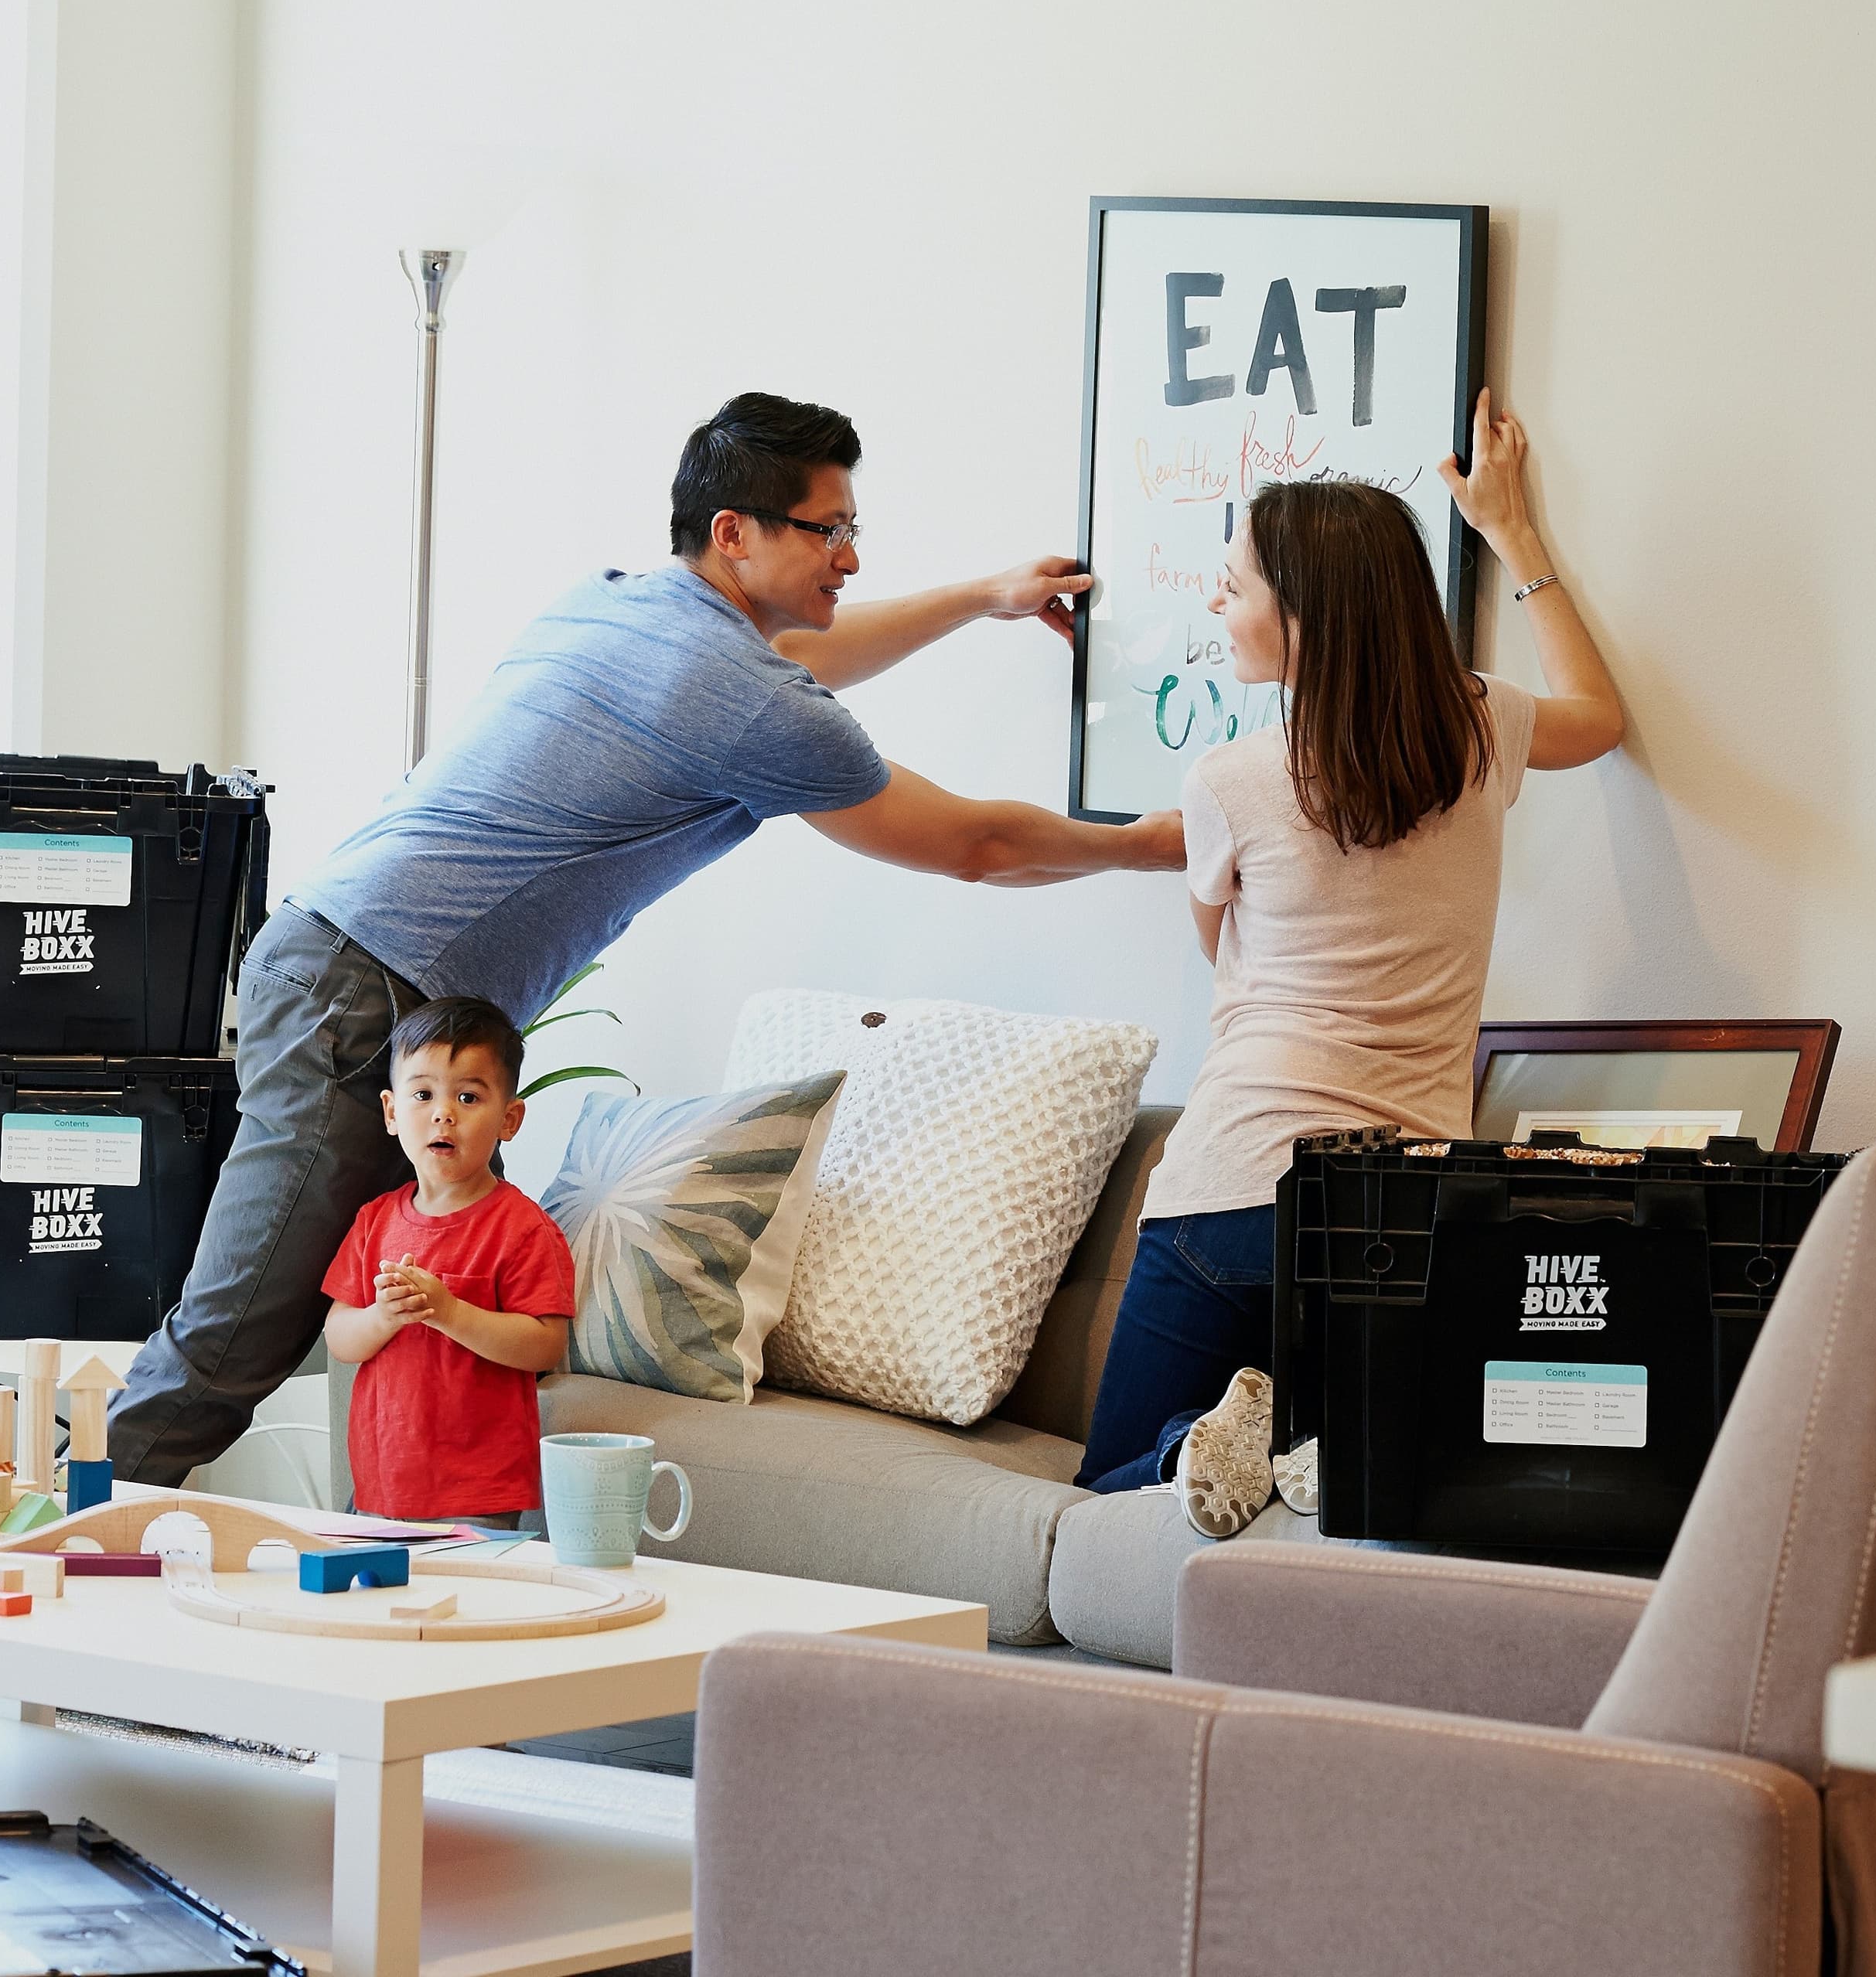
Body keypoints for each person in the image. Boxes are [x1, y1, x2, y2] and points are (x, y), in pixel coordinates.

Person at [107, 391, 1185, 1483]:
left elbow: (805, 654)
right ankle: (51, 1557)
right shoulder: (748, 701)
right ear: (735, 534)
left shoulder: (619, 602)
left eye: (854, 531)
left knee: (337, 1316)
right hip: (367, 992)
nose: (849, 559)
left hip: (341, 961)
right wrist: (1154, 843)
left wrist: (977, 598)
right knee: (242, 1328)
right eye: (828, 531)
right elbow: (976, 845)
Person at [1073, 391, 1629, 1537]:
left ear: (1306, 614)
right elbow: (1601, 716)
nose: (1216, 600)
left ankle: (1222, 1448)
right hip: (1406, 1204)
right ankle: (1305, 1450)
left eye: (1236, 584)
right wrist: (1513, 534)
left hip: (1232, 1188)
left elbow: (1218, 947)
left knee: (1109, 1482)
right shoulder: (1480, 731)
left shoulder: (1230, 780)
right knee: (1360, 1475)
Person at [320, 997, 572, 1524]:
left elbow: (545, 1345)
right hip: (384, 1481)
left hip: (480, 1491)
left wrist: (449, 1311)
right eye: (423, 1094)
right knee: (377, 1603)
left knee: (473, 1603)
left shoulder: (524, 1229)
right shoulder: (374, 1221)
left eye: (467, 1096)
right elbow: (341, 1338)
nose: (443, 1113)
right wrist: (384, 1316)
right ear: (393, 1113)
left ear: (510, 1118)